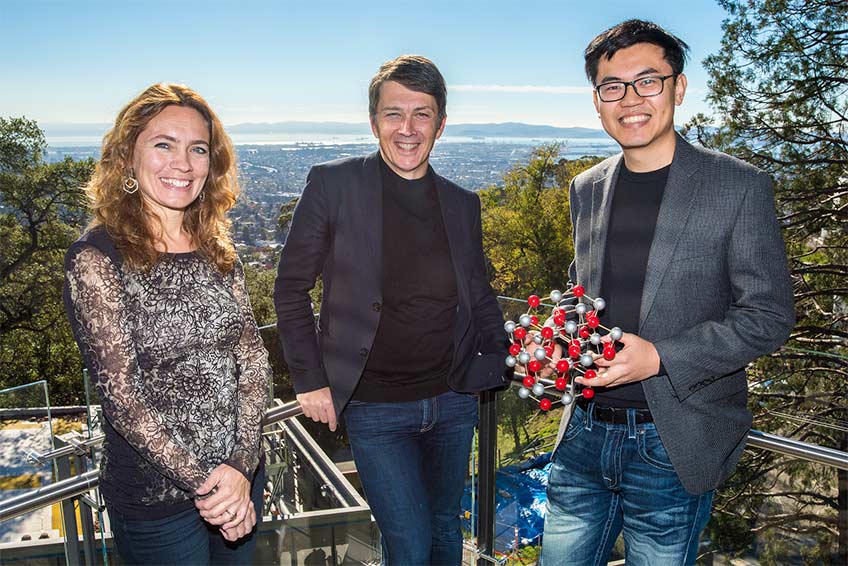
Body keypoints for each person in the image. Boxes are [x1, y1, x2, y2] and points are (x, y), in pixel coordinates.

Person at [539, 20, 795, 565]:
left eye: (648, 81)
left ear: (678, 88)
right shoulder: (586, 187)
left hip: (672, 443)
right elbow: (581, 287)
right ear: (597, 100)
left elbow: (768, 315)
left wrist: (659, 357)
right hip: (582, 431)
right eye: (614, 86)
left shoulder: (738, 186)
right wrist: (563, 332)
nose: (630, 99)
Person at [274, 55, 508, 565]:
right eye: (393, 113)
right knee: (408, 538)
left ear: (441, 124)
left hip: (453, 398)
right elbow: (290, 287)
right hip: (375, 406)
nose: (407, 128)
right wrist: (310, 380)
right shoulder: (334, 185)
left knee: (446, 527)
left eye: (421, 114)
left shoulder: (462, 202)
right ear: (374, 120)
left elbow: (479, 292)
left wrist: (509, 359)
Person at [63, 83, 271, 564]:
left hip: (239, 481)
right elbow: (122, 398)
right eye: (164, 145)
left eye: (197, 149)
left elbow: (253, 358)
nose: (183, 163)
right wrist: (211, 487)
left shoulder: (217, 248)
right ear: (127, 157)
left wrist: (241, 466)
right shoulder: (98, 258)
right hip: (158, 505)